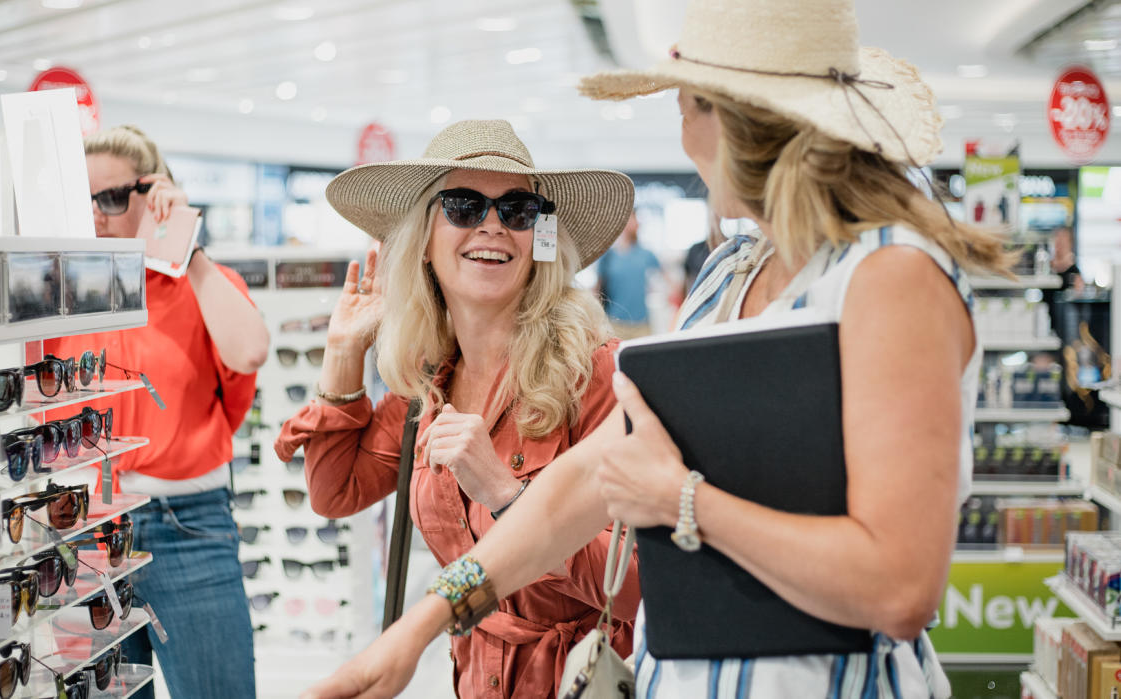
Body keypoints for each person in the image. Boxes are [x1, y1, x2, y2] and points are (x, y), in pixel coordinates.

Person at [301, 0, 1012, 697]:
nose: (680, 133)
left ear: (730, 117)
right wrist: (423, 623)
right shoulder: (730, 276)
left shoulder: (889, 277)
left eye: (685, 105)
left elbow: (899, 588)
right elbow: (575, 486)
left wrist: (684, 502)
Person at [274, 119, 641, 698]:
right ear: (423, 238)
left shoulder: (595, 376)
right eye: (465, 206)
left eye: (517, 209)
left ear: (538, 235)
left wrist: (506, 494)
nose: (493, 225)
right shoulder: (427, 385)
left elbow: (639, 586)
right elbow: (335, 492)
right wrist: (344, 350)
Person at [45, 125, 270, 699]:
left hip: (186, 524)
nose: (97, 216)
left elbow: (249, 351)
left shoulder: (198, 284)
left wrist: (185, 247)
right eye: (85, 200)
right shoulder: (56, 294)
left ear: (155, 194)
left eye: (113, 198)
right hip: (81, 530)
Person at [595, 211, 665, 339]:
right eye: (631, 219)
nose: (635, 223)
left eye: (635, 219)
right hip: (615, 324)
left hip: (642, 324)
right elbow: (597, 290)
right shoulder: (607, 256)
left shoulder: (646, 254)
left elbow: (665, 277)